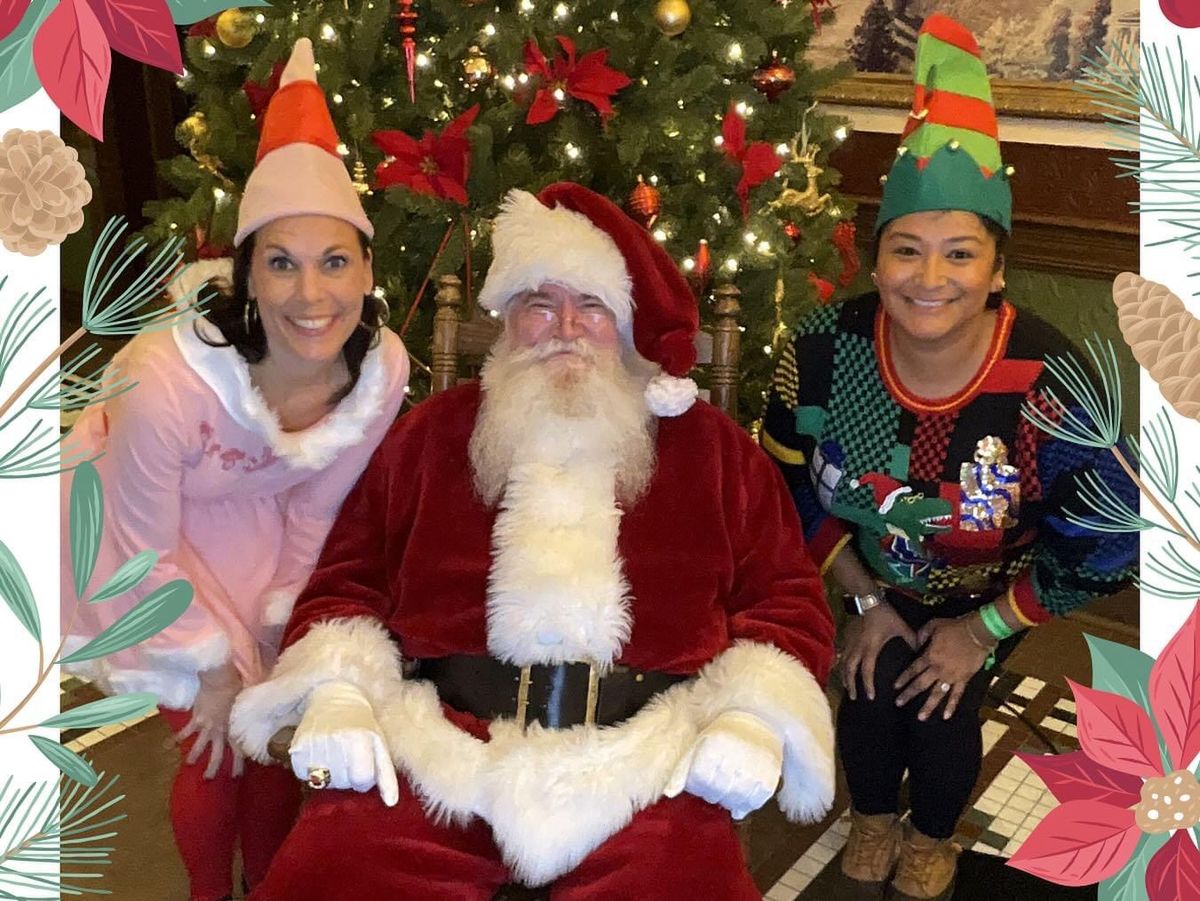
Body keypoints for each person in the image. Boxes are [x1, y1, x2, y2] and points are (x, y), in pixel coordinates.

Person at [230, 182, 837, 899]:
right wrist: (338, 691)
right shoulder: (433, 435)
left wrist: (750, 715)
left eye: (592, 307)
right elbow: (348, 579)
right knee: (328, 873)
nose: (565, 328)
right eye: (540, 304)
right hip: (443, 749)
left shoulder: (712, 450)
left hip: (646, 761)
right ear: (508, 319)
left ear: (628, 325)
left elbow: (787, 598)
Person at [762, 15, 1137, 901]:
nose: (930, 277)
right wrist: (858, 594)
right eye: (906, 248)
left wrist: (984, 630)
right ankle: (874, 817)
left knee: (938, 703)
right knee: (870, 684)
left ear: (997, 269)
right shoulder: (819, 351)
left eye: (959, 252)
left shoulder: (1055, 384)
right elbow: (776, 485)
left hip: (991, 595)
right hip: (869, 574)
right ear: (879, 256)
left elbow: (1115, 539)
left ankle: (933, 832)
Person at [59, 38, 410, 901]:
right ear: (246, 274)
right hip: (139, 539)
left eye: (335, 260)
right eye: (280, 262)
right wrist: (213, 666)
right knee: (213, 741)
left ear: (368, 268)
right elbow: (141, 546)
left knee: (273, 740)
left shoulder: (383, 369)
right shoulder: (166, 378)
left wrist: (280, 627)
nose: (311, 294)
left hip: (255, 531)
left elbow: (315, 508)